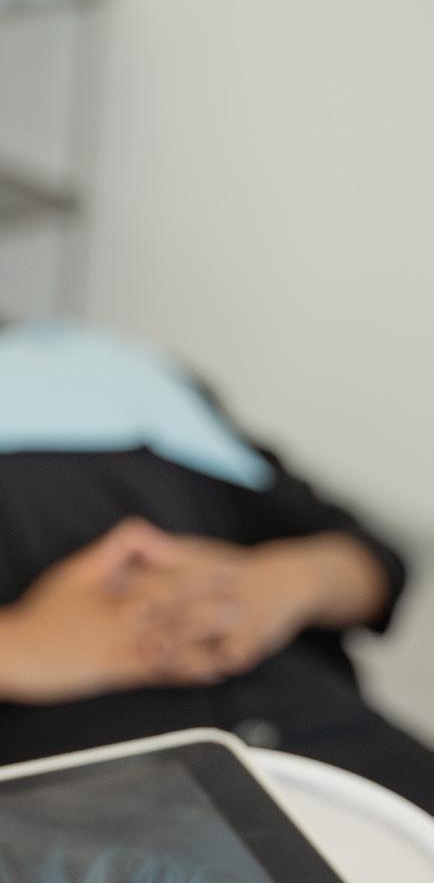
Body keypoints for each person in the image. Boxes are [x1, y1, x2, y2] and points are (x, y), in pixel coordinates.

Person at [0, 320, 432, 812]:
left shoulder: (133, 372)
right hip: (75, 782)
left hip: (313, 736)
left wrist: (278, 583)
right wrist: (19, 647)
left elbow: (375, 561)